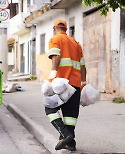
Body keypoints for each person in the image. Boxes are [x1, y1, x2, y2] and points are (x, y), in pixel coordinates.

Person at [45, 19, 86, 151]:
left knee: (49, 108)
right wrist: (83, 82)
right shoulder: (76, 43)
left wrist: (52, 73)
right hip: (75, 85)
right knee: (70, 116)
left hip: (61, 84)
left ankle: (65, 134)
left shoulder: (55, 39)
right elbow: (83, 65)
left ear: (54, 28)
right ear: (66, 29)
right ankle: (71, 143)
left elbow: (56, 57)